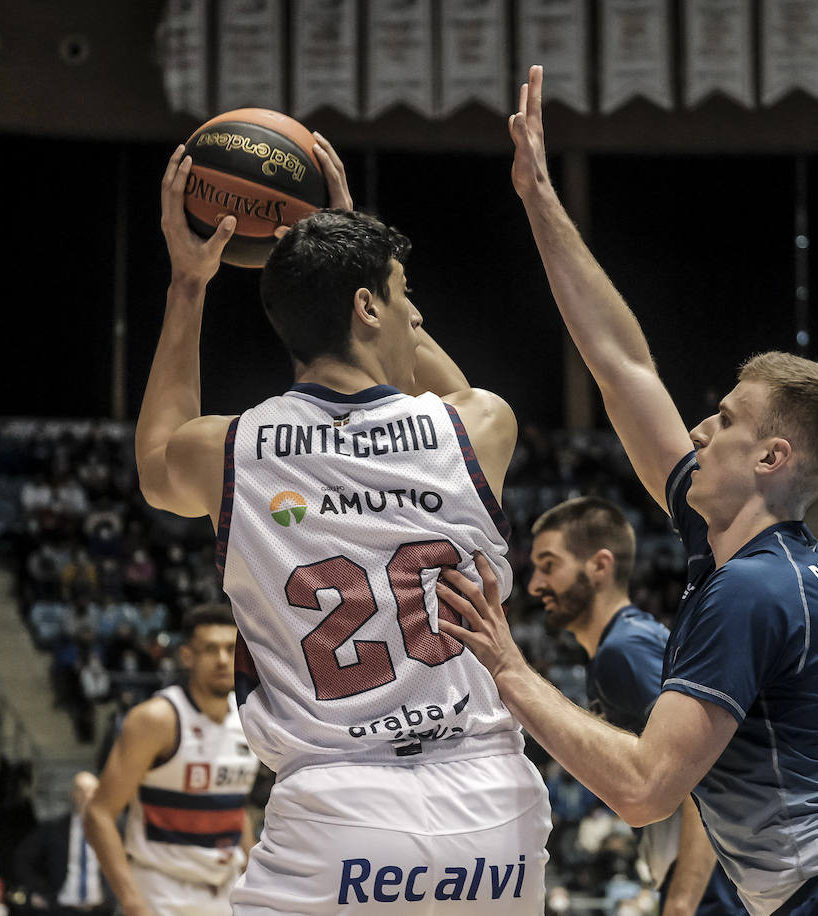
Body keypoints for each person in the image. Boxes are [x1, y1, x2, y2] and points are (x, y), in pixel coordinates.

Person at [434, 66, 818, 916]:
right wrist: (538, 200)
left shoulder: (751, 590)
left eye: (723, 420)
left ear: (771, 459)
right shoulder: (732, 544)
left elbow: (644, 789)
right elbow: (622, 365)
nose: (700, 432)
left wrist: (506, 666)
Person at [131, 134, 551, 913]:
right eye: (403, 294)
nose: (415, 312)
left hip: (338, 808)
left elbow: (154, 458)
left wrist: (189, 284)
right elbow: (438, 380)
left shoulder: (229, 449)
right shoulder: (478, 427)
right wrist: (350, 246)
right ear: (368, 307)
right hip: (493, 809)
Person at [528, 496, 744, 915]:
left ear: (599, 567)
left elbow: (709, 769)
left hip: (711, 879)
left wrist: (683, 900)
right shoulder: (625, 642)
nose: (535, 583)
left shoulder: (622, 651)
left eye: (549, 565)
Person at [84, 605, 260, 916]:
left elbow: (236, 809)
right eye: (210, 649)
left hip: (227, 891)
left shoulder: (250, 718)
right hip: (161, 894)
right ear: (187, 656)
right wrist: (133, 902)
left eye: (230, 648)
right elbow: (97, 814)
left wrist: (254, 881)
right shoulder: (157, 719)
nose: (222, 659)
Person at [13, 772, 111, 916]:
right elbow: (21, 860)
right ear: (73, 793)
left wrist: (114, 896)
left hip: (102, 908)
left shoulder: (112, 830)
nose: (87, 796)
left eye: (92, 791)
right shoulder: (53, 829)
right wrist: (43, 891)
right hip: (62, 907)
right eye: (81, 790)